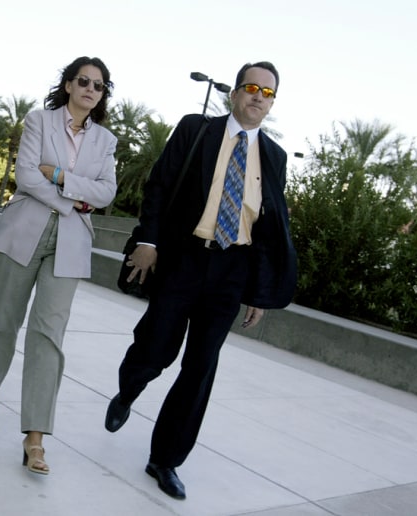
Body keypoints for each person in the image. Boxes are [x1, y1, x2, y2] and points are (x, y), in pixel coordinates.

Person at [106, 61, 296, 498]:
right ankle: (129, 387)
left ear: (271, 104)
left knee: (200, 368)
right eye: (251, 87)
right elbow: (158, 186)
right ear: (234, 92)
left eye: (267, 93)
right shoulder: (196, 130)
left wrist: (258, 290)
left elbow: (269, 227)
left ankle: (165, 459)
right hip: (184, 258)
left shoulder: (275, 157)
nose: (257, 97)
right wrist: (149, 242)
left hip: (234, 268)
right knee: (156, 346)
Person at [0, 56, 117, 475]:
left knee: (48, 335)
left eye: (100, 85)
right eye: (85, 81)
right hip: (24, 231)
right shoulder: (40, 120)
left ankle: (34, 436)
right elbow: (25, 176)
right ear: (69, 85)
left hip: (70, 244)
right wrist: (76, 199)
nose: (92, 89)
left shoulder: (105, 141)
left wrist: (58, 177)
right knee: (4, 318)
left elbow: (106, 191)